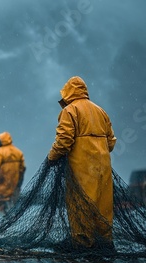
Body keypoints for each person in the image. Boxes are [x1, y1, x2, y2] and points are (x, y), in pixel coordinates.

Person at [47, 76, 116, 248]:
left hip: (81, 166)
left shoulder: (70, 111)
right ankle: (104, 242)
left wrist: (52, 157)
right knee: (103, 204)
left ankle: (82, 242)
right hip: (103, 166)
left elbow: (64, 140)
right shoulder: (101, 111)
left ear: (68, 92)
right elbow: (112, 142)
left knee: (81, 202)